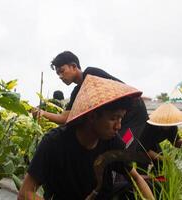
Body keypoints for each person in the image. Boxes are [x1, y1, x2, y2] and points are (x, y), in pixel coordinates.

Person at [18, 75, 154, 200]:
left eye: (121, 119)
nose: (118, 126)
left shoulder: (113, 143)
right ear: (92, 116)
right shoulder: (54, 143)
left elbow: (136, 178)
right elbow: (25, 192)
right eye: (113, 118)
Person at [35, 51, 149, 151]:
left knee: (121, 151)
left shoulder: (92, 74)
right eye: (58, 74)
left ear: (74, 66)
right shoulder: (77, 92)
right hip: (116, 119)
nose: (60, 76)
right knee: (112, 150)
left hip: (134, 113)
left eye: (62, 71)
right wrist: (43, 113)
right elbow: (65, 118)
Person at [137, 103, 182, 171]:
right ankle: (141, 178)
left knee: (161, 165)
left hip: (152, 144)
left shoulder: (172, 127)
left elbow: (176, 143)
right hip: (137, 144)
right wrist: (163, 159)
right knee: (142, 167)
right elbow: (143, 149)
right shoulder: (148, 126)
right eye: (165, 121)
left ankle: (157, 180)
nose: (167, 125)